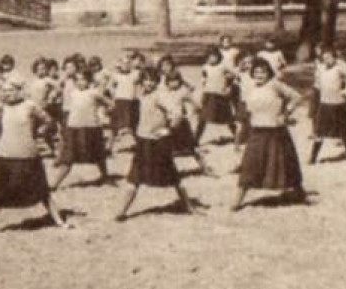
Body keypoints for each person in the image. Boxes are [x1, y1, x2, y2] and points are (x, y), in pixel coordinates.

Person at [0, 80, 68, 233]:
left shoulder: (30, 105)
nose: (6, 94)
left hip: (28, 155)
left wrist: (41, 130)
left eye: (9, 90)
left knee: (42, 193)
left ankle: (59, 222)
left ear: (18, 91)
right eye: (4, 91)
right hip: (6, 155)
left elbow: (49, 121)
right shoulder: (2, 107)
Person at [116, 67, 201, 221]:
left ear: (157, 81)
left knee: (174, 178)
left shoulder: (160, 96)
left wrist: (167, 130)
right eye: (146, 80)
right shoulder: (141, 96)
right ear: (141, 82)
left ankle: (189, 207)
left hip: (158, 144)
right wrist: (128, 129)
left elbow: (177, 114)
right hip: (143, 143)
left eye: (152, 80)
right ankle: (121, 212)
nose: (149, 83)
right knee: (134, 178)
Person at [231, 57, 308, 210]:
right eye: (256, 72)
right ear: (252, 73)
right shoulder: (249, 88)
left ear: (269, 73)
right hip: (257, 131)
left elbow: (296, 97)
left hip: (276, 131)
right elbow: (245, 111)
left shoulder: (275, 85)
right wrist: (240, 135)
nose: (260, 75)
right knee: (249, 165)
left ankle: (299, 191)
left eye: (263, 72)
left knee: (286, 164)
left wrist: (285, 113)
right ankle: (238, 199)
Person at [50, 65, 112, 190]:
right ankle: (54, 184)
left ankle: (105, 176)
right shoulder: (72, 93)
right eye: (77, 79)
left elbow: (110, 104)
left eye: (83, 79)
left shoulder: (94, 93)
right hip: (74, 128)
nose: (80, 82)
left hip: (92, 128)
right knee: (69, 158)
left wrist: (103, 113)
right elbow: (59, 94)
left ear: (89, 81)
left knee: (98, 155)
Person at [309, 49, 346, 163]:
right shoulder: (321, 69)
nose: (327, 60)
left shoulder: (339, 68)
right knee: (319, 132)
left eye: (329, 57)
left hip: (338, 104)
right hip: (325, 104)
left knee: (343, 131)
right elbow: (317, 84)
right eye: (324, 58)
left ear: (335, 58)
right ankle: (313, 157)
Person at [195, 48, 237, 144]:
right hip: (209, 94)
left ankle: (237, 136)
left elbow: (234, 74)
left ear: (219, 57)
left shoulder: (223, 67)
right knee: (203, 118)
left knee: (228, 118)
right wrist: (203, 89)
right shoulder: (205, 67)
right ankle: (196, 139)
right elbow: (203, 79)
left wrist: (229, 86)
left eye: (214, 57)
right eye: (210, 57)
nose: (212, 59)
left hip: (220, 95)